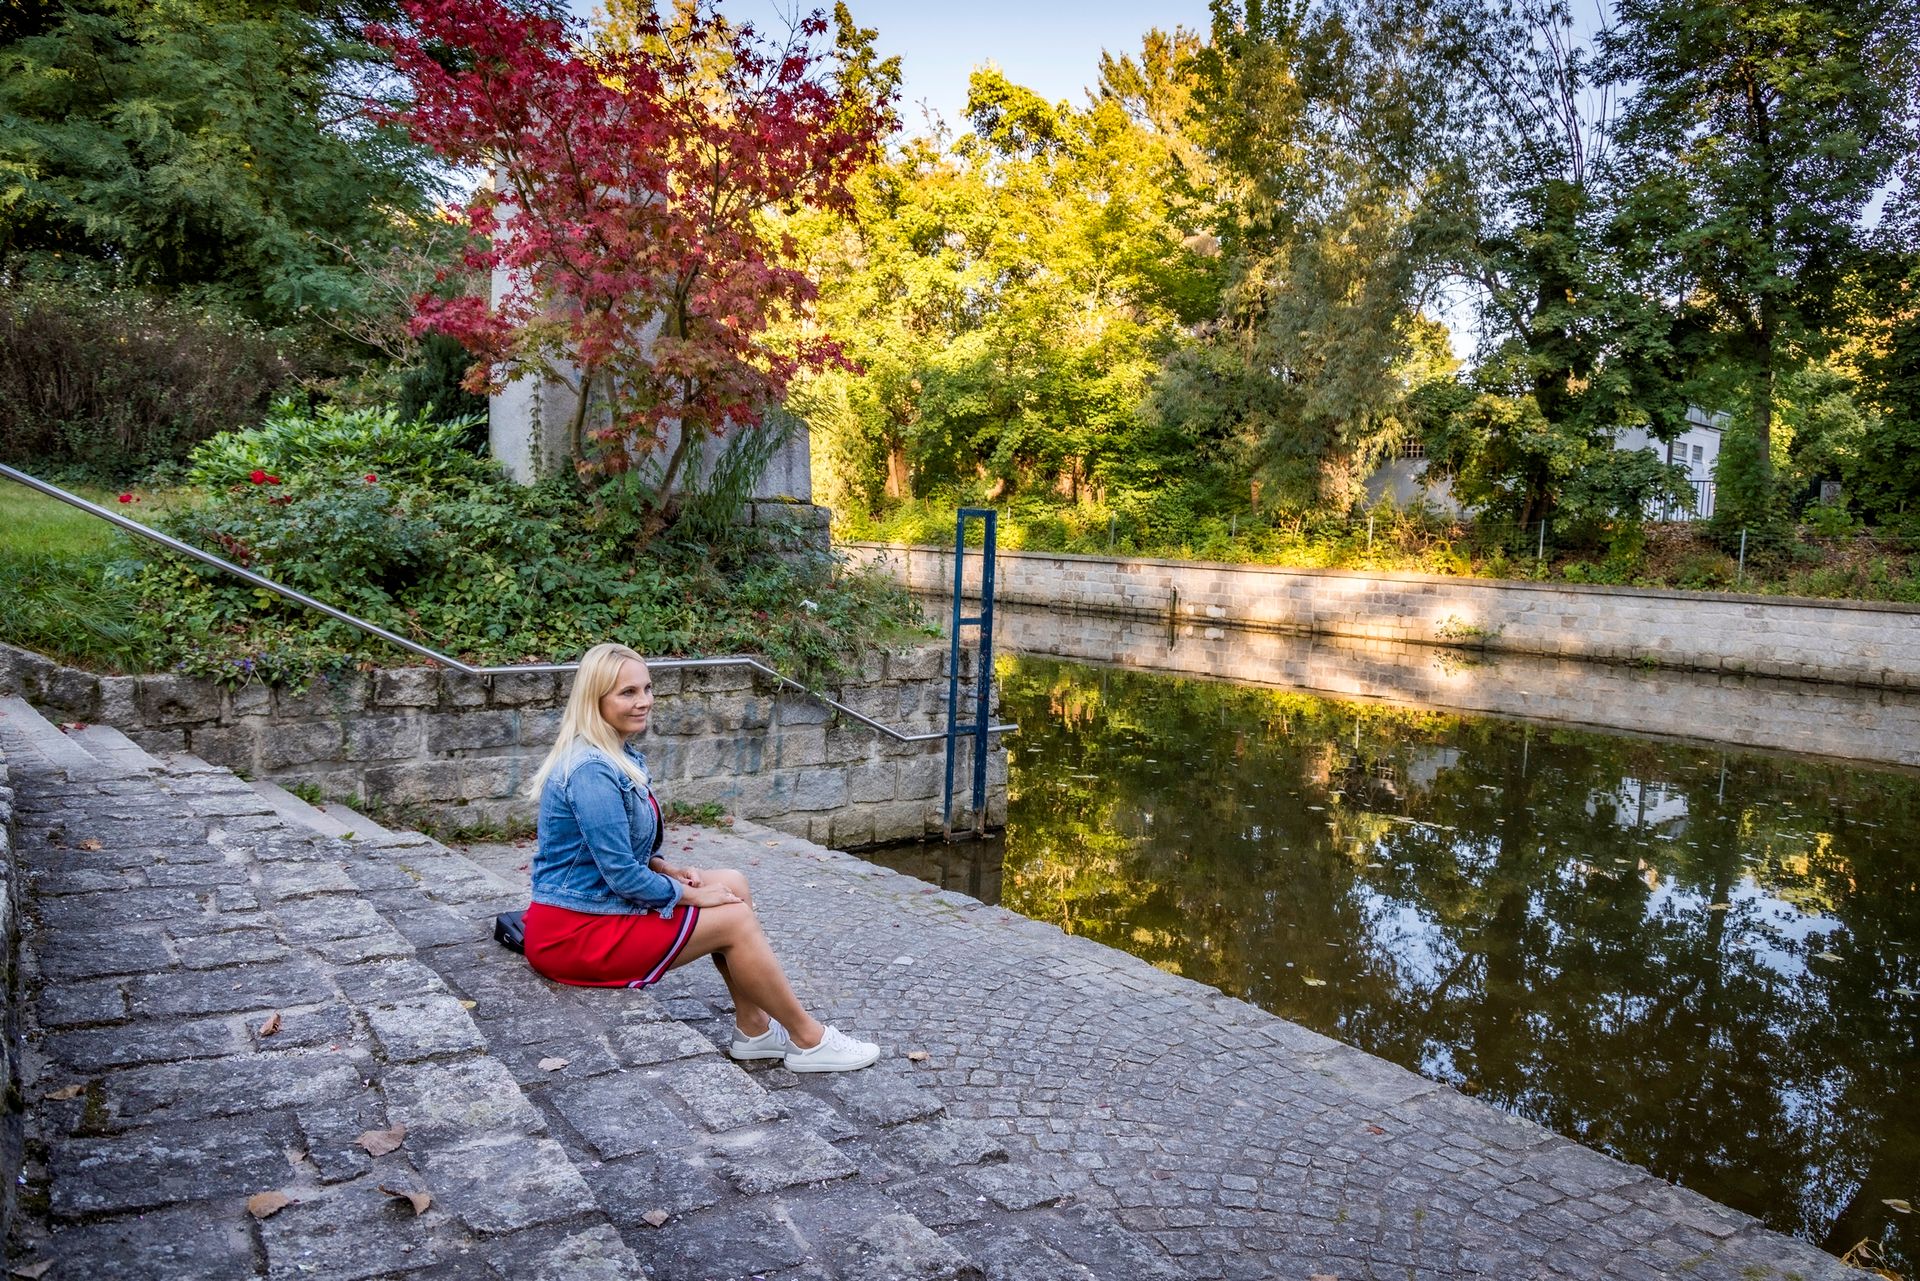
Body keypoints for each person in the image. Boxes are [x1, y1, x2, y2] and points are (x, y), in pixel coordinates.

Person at [519, 641, 880, 1073]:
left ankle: (754, 1030)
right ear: (595, 700)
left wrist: (667, 868)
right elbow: (619, 875)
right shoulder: (590, 770)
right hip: (574, 932)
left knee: (733, 882)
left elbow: (614, 854)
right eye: (627, 693)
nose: (644, 701)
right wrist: (693, 896)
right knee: (731, 915)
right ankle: (809, 1038)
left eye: (647, 688)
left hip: (596, 910)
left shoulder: (615, 755)